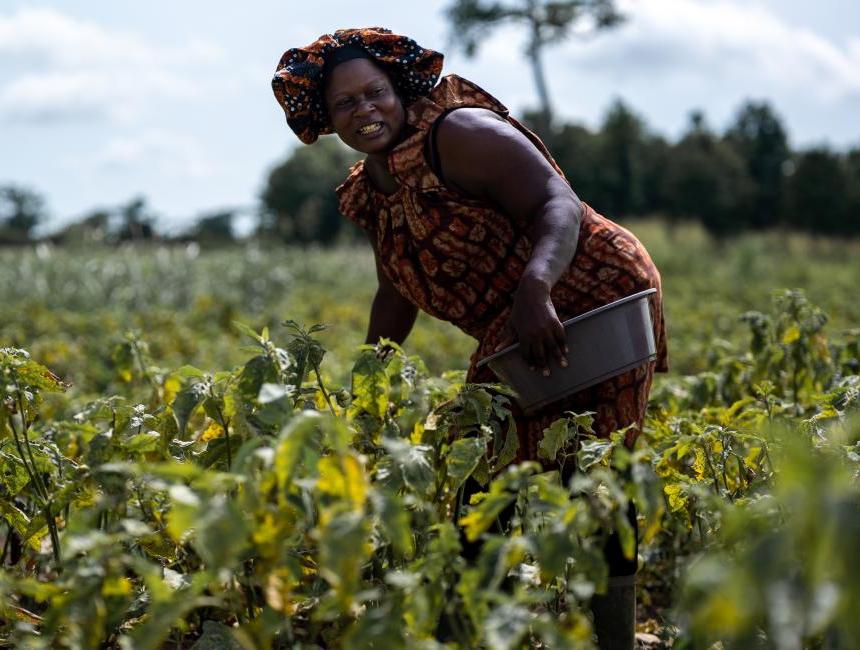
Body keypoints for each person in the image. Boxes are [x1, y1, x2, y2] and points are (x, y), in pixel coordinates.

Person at [272, 27, 668, 649]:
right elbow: (394, 292)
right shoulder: (372, 189)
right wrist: (369, 385)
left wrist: (536, 287)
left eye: (373, 92)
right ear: (324, 116)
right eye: (345, 103)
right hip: (516, 316)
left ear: (399, 88)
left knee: (595, 469)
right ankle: (469, 631)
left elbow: (558, 205)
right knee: (478, 465)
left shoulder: (457, 134)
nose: (364, 110)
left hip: (591, 286)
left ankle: (611, 637)